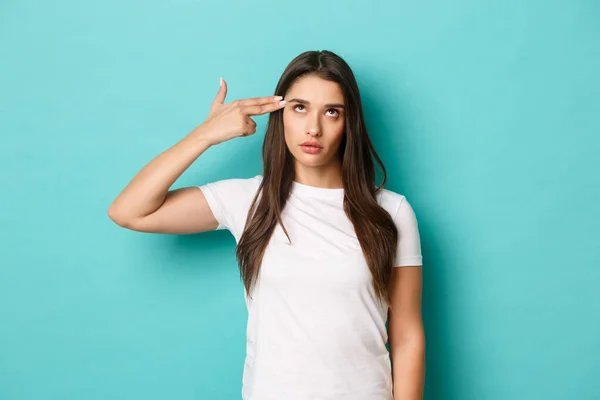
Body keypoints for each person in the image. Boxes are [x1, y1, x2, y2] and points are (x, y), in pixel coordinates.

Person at [108, 50, 425, 400]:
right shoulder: (248, 200)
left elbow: (407, 334)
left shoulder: (390, 211)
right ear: (280, 113)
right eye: (299, 108)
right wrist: (205, 135)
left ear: (349, 124)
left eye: (331, 112)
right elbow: (129, 211)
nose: (313, 128)